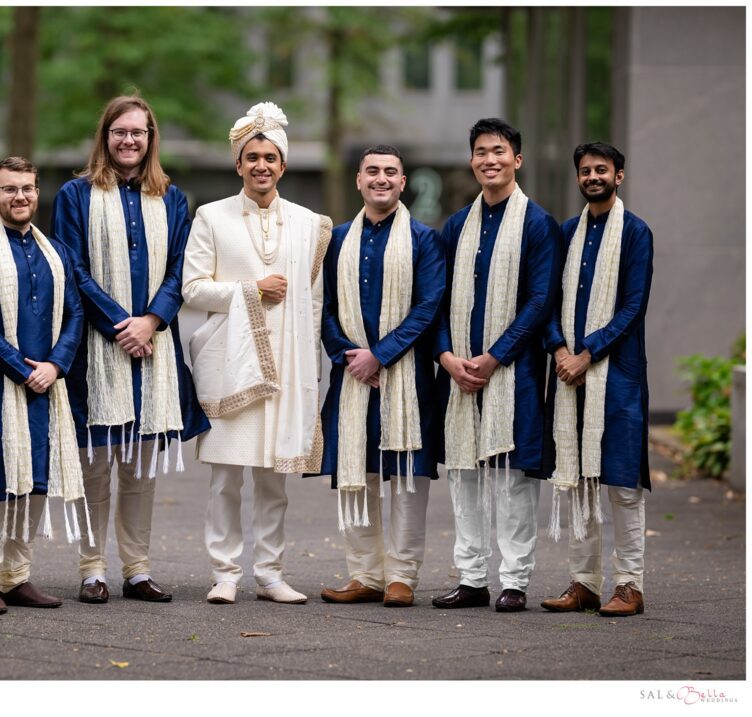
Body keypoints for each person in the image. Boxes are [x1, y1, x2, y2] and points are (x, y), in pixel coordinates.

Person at [51, 95, 209, 605]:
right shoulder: (76, 196)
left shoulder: (173, 199)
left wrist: (152, 321)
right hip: (98, 350)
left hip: (153, 351)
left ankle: (138, 569)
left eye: (138, 132)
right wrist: (123, 325)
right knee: (96, 463)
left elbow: (180, 270)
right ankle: (92, 567)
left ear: (151, 138)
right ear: (105, 136)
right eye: (119, 132)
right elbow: (72, 269)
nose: (129, 140)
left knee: (140, 466)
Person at [183, 101, 331, 605]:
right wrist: (250, 289)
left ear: (283, 165)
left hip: (288, 366)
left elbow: (313, 304)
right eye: (252, 157)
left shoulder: (309, 224)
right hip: (230, 364)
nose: (261, 165)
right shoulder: (211, 216)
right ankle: (224, 573)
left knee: (274, 482)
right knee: (226, 479)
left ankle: (270, 573)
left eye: (270, 157)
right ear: (238, 164)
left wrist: (307, 368)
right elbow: (193, 290)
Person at [431, 118, 561, 613]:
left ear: (517, 160)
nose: (490, 159)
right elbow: (437, 302)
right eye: (482, 152)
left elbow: (539, 301)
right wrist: (447, 356)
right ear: (472, 161)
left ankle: (514, 580)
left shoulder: (537, 224)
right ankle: (470, 578)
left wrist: (494, 357)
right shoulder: (457, 226)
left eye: (499, 151)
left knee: (512, 477)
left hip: (515, 373)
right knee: (464, 474)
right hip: (460, 371)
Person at [0, 157, 87, 615]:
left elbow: (75, 314)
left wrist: (55, 365)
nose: (20, 197)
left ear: (37, 193)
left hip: (47, 385)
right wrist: (21, 367)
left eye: (27, 188)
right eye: (10, 189)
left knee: (35, 482)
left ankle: (16, 576)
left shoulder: (58, 252)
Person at [316, 145, 445, 608]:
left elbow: (428, 307)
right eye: (373, 171)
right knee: (360, 473)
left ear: (403, 182)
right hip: (352, 378)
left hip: (406, 378)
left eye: (391, 171)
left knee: (406, 477)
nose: (381, 178)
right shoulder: (337, 239)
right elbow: (323, 306)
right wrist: (350, 357)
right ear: (358, 180)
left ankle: (402, 577)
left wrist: (382, 355)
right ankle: (365, 574)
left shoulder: (423, 240)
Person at [539, 142, 654, 617]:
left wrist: (589, 354)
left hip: (618, 375)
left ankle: (630, 584)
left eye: (601, 169)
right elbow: (545, 299)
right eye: (585, 171)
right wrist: (560, 350)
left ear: (619, 176)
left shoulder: (636, 232)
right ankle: (584, 582)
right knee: (579, 479)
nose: (592, 176)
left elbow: (633, 305)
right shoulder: (566, 233)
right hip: (570, 376)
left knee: (622, 484)